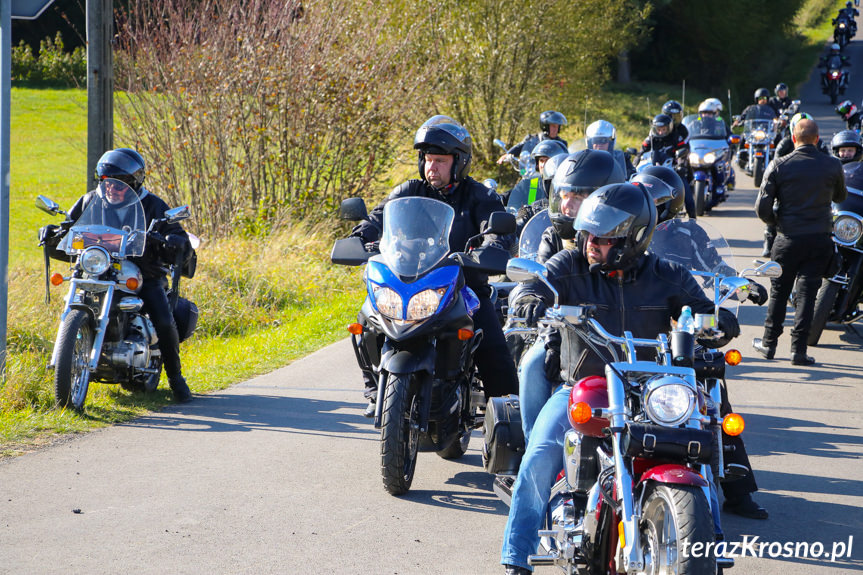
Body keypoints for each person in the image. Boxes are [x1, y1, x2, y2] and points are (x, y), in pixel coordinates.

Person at [501, 183, 760, 575]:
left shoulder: (666, 274)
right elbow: (534, 285)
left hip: (651, 387)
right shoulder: (568, 266)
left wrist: (719, 321)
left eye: (604, 239)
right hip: (585, 385)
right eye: (588, 234)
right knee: (539, 455)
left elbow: (705, 309)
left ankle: (709, 546)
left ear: (633, 238)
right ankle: (517, 557)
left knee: (702, 445)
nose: (591, 244)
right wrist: (529, 299)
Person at [350, 115, 519, 416]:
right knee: (365, 322)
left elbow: (498, 230)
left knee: (494, 349)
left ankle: (509, 425)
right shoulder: (408, 191)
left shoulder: (480, 196)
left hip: (463, 288)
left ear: (460, 162)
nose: (432, 167)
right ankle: (376, 389)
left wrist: (493, 245)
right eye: (428, 159)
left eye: (440, 160)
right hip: (408, 284)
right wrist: (360, 237)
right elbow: (377, 218)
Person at [44, 149, 193, 402]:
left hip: (142, 273)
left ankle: (176, 379)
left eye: (119, 184)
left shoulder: (154, 205)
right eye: (107, 182)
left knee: (164, 320)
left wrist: (173, 240)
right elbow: (70, 227)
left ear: (134, 183)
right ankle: (67, 364)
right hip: (97, 269)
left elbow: (177, 234)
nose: (112, 188)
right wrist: (53, 233)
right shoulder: (90, 200)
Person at [512, 150, 625, 442]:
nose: (566, 204)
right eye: (563, 194)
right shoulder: (553, 237)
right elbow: (542, 285)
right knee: (533, 364)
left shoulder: (625, 235)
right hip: (562, 331)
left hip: (618, 333)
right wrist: (551, 342)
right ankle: (533, 442)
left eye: (577, 196)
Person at [753, 118, 848, 365]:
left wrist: (777, 221)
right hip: (819, 239)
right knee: (807, 294)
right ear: (817, 139)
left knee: (778, 292)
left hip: (788, 238)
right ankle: (799, 351)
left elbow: (761, 208)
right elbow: (840, 196)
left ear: (794, 139)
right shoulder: (832, 164)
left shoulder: (779, 165)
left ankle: (768, 344)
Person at [503, 139, 568, 210]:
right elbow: (512, 194)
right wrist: (496, 197)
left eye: (547, 160)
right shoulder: (531, 183)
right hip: (533, 220)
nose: (543, 165)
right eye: (541, 160)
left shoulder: (564, 185)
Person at [497, 111, 569, 165]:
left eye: (557, 127)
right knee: (528, 185)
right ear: (545, 127)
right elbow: (520, 146)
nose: (555, 129)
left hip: (553, 178)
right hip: (535, 175)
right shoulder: (533, 139)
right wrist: (507, 154)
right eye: (553, 126)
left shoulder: (561, 144)